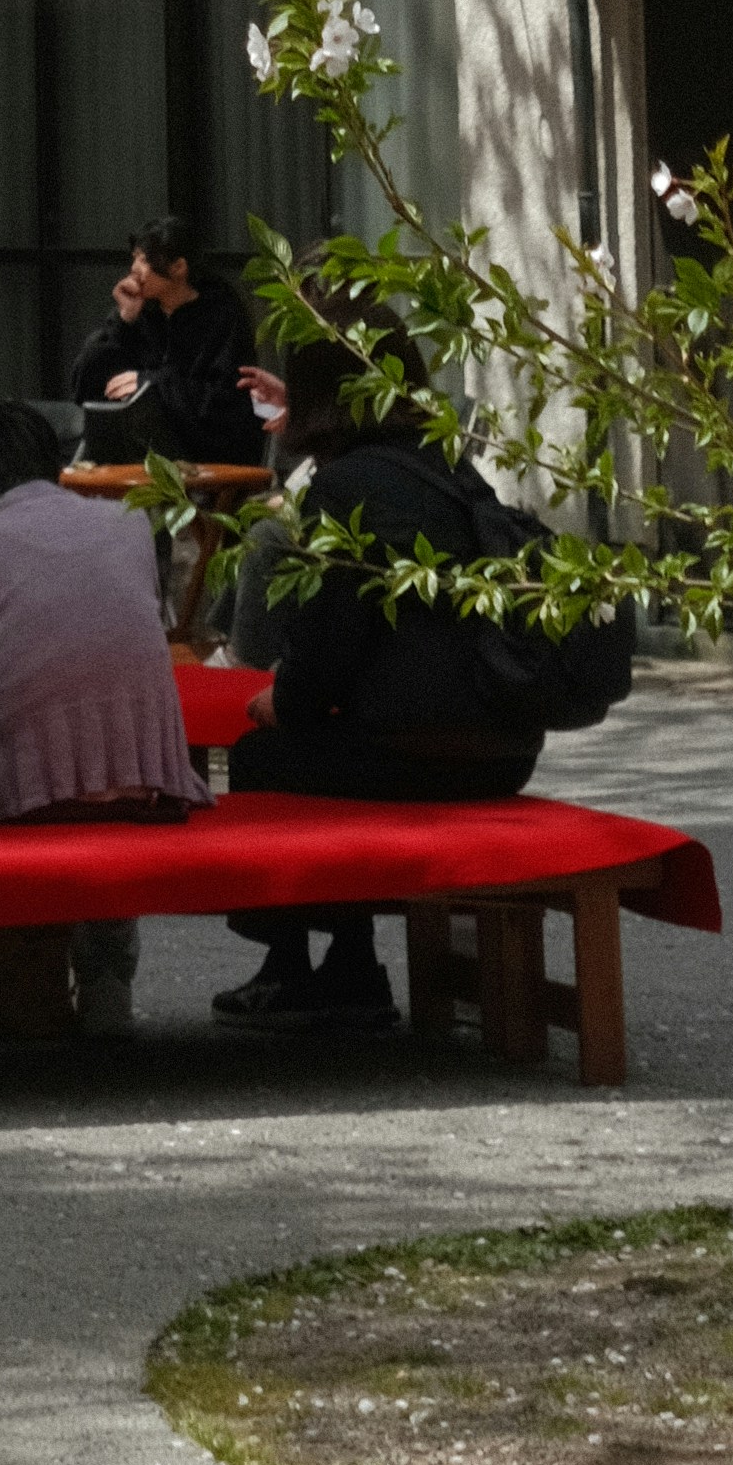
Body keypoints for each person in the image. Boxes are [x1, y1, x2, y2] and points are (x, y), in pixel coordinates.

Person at [214, 334, 542, 1027]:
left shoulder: (343, 487)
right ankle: (350, 962)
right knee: (329, 747)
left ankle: (297, 965)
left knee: (260, 759)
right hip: (507, 747)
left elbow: (326, 655)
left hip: (421, 751)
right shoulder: (451, 465)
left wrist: (284, 698)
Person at [0, 398, 197, 1042]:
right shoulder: (131, 524)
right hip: (147, 784)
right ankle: (108, 987)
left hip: (19, 791)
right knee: (101, 791)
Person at [69, 216, 264, 468]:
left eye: (145, 259)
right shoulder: (140, 313)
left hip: (202, 454)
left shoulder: (221, 313)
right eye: (135, 257)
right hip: (134, 452)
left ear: (178, 267)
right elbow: (84, 383)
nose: (134, 269)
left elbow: (227, 404)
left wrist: (151, 385)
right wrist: (123, 320)